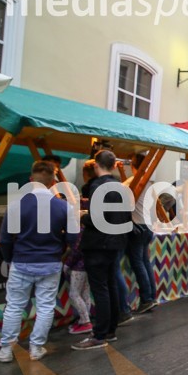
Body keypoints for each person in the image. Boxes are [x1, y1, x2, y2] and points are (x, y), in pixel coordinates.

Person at [0, 161, 77, 362]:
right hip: (51, 264)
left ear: (31, 180)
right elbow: (73, 238)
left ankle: (6, 350)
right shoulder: (64, 207)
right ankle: (36, 348)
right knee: (46, 306)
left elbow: (5, 240)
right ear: (53, 182)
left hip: (21, 262)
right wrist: (61, 251)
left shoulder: (16, 206)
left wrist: (10, 259)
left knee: (14, 306)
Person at [72, 150, 132, 350]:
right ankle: (110, 330)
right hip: (116, 243)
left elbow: (96, 218)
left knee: (100, 289)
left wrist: (82, 216)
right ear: (114, 166)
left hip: (98, 243)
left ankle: (99, 334)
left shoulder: (97, 186)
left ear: (96, 165)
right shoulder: (121, 187)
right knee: (110, 285)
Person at [64, 161, 98, 336]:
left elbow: (77, 249)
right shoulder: (92, 223)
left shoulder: (81, 228)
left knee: (74, 293)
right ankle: (86, 318)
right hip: (89, 263)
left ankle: (85, 321)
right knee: (85, 292)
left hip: (79, 266)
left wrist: (67, 264)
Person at [122, 152, 158, 314]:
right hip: (148, 226)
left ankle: (146, 299)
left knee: (138, 262)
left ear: (133, 165)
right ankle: (151, 297)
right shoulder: (149, 182)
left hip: (137, 226)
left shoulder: (133, 182)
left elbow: (116, 191)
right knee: (144, 261)